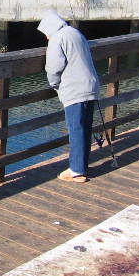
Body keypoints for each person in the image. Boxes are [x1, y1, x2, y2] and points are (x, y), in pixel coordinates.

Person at [37, 11, 100, 183]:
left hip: (75, 90)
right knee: (85, 128)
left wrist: (54, 84)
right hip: (91, 85)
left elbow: (54, 68)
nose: (47, 38)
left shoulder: (58, 39)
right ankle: (81, 166)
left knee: (76, 129)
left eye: (46, 34)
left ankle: (76, 171)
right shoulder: (75, 33)